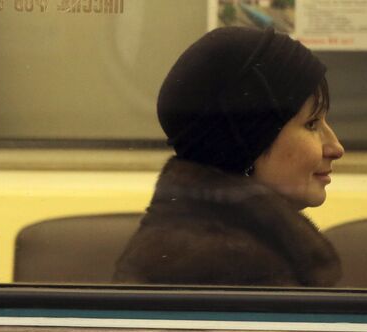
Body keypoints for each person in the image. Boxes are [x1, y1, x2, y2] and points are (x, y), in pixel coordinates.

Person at [115, 27, 344, 287]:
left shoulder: (216, 242)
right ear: (247, 144)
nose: (336, 147)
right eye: (312, 125)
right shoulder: (233, 268)